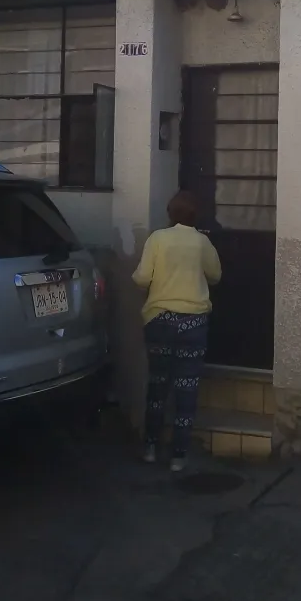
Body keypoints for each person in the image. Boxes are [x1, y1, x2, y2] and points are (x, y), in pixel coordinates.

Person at [132, 190, 222, 472]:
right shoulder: (202, 242)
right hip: (193, 324)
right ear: (196, 214)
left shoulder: (157, 238)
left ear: (170, 213)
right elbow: (216, 275)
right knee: (187, 389)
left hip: (160, 321)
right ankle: (178, 456)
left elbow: (142, 278)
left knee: (158, 384)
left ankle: (150, 447)